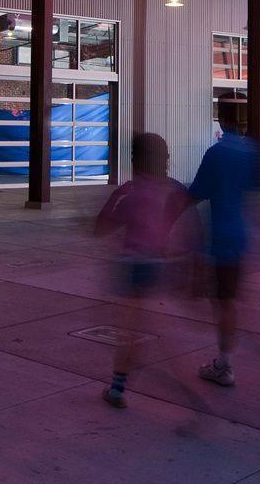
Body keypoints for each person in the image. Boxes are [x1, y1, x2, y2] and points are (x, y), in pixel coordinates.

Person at [93, 132, 188, 408]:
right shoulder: (174, 190)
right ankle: (117, 387)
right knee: (149, 329)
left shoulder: (130, 191)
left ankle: (119, 388)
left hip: (132, 266)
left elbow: (102, 228)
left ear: (136, 160)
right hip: (158, 266)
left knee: (130, 330)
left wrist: (113, 200)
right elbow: (183, 224)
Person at [187, 93, 260, 388]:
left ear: (222, 117)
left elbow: (196, 192)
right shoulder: (252, 152)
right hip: (243, 234)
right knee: (226, 299)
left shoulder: (217, 153)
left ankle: (225, 364)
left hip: (220, 235)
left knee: (223, 302)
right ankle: (225, 359)